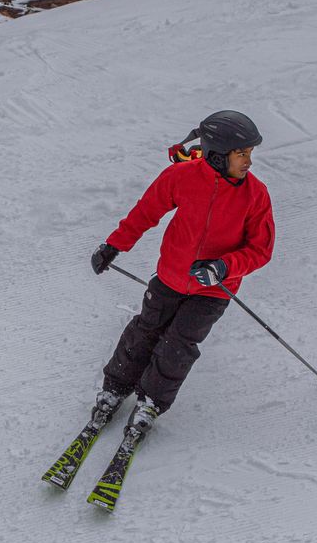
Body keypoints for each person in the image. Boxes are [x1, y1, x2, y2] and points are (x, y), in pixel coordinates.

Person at [88, 110, 276, 440]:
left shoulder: (255, 195)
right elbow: (145, 212)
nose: (248, 161)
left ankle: (150, 402)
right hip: (171, 276)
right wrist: (113, 246)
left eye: (249, 153)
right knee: (145, 330)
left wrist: (224, 267)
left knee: (178, 345)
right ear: (218, 156)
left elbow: (261, 249)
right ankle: (114, 388)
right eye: (241, 154)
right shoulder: (183, 176)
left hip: (214, 289)